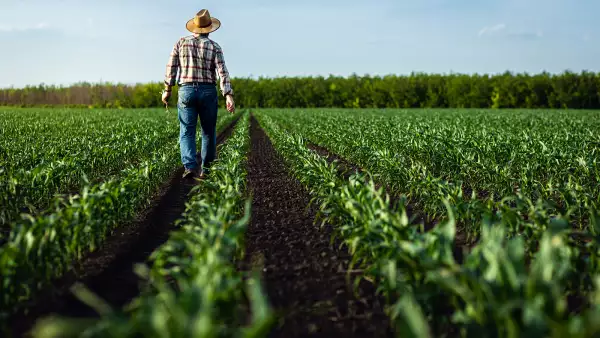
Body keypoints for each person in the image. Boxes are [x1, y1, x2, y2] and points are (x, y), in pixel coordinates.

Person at [161, 9, 236, 179]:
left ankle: (189, 167)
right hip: (208, 91)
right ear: (209, 29)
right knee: (208, 131)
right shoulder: (215, 46)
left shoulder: (180, 43)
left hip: (186, 90)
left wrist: (167, 90)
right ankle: (207, 169)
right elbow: (222, 72)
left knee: (187, 130)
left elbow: (171, 67)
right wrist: (228, 95)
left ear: (193, 27)